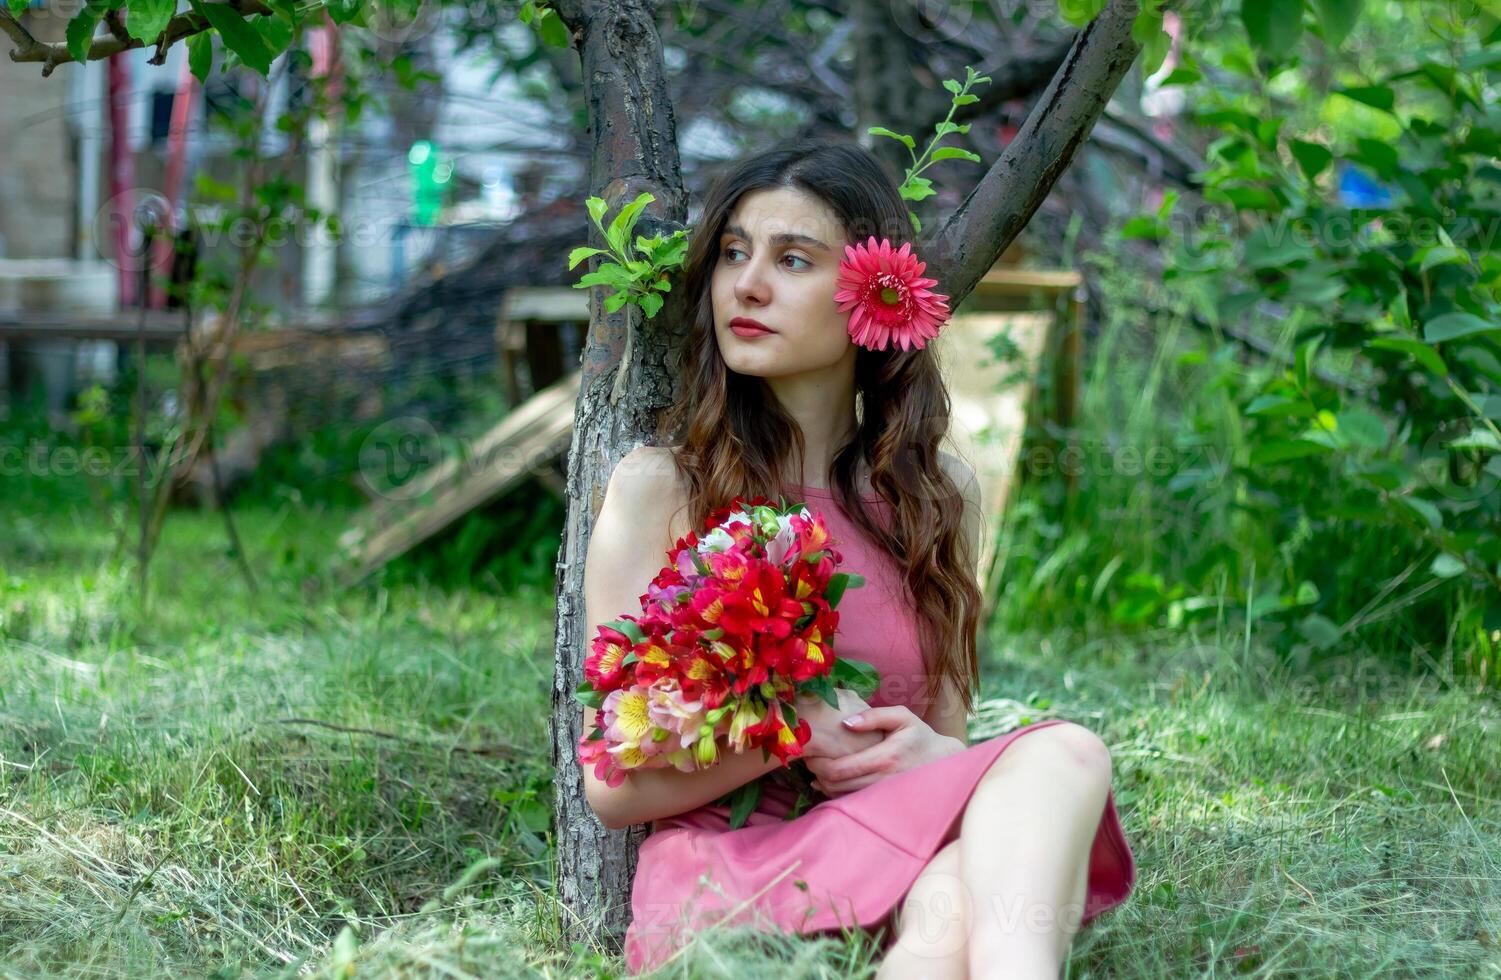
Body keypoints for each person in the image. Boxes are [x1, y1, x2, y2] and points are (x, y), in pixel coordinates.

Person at [581, 136, 1135, 978]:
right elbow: (612, 788)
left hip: (895, 846)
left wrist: (941, 759)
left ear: (870, 297)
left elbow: (941, 746)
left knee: (979, 868)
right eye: (734, 254)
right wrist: (792, 726)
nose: (748, 284)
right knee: (1057, 763)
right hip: (731, 878)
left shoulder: (936, 494)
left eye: (792, 259)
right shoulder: (663, 489)